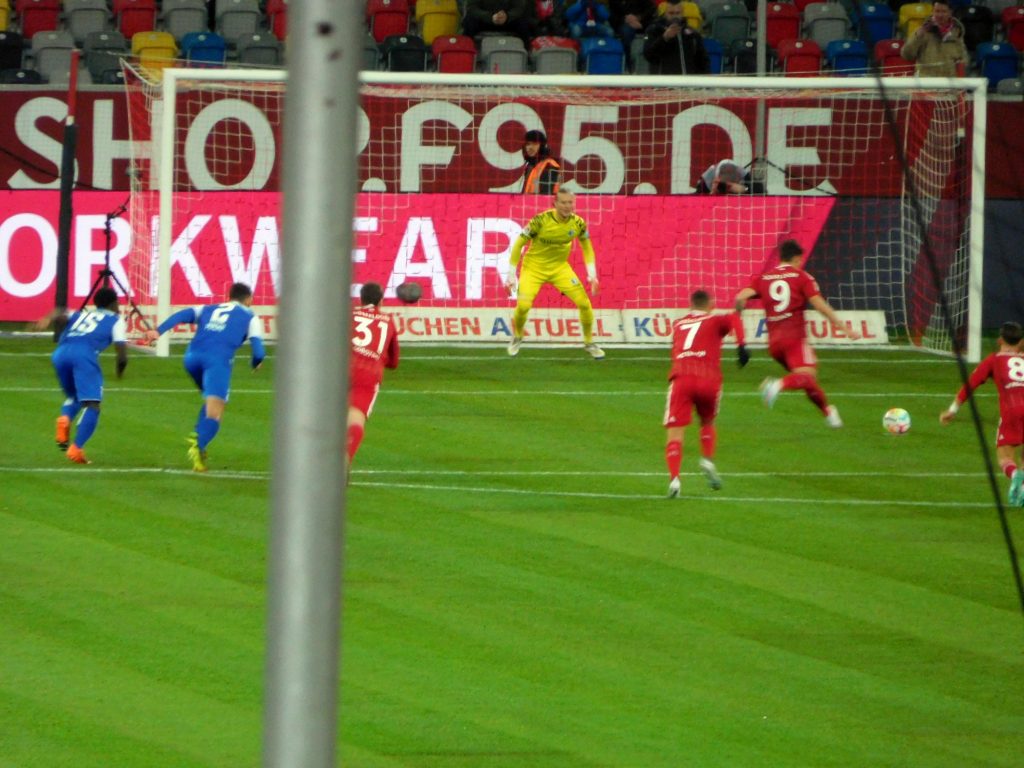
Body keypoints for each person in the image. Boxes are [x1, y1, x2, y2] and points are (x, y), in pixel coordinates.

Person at [734, 239, 861, 428]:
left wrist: (739, 317)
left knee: (806, 379)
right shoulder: (802, 277)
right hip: (794, 340)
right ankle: (776, 386)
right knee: (807, 377)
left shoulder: (765, 278)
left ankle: (829, 413)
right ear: (796, 258)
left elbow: (740, 297)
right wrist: (843, 327)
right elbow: (819, 305)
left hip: (774, 345)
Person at [145, 282, 265, 472]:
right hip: (216, 363)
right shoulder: (251, 317)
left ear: (229, 296)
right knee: (215, 413)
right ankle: (199, 441)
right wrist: (255, 363)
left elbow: (182, 314)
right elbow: (258, 352)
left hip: (191, 358)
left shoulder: (209, 308)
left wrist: (158, 331)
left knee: (211, 398)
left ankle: (200, 449)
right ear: (249, 299)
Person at [664, 290, 750, 498]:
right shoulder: (715, 321)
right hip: (709, 379)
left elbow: (673, 347)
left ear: (690, 304)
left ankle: (675, 480)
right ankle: (707, 459)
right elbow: (734, 318)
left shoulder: (678, 325)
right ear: (710, 304)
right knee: (707, 422)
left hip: (682, 378)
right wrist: (741, 346)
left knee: (675, 432)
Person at [504, 189, 604, 359]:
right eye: (563, 202)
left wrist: (592, 274)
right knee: (523, 307)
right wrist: (511, 275)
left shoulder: (578, 223)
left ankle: (589, 343)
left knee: (585, 304)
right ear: (555, 204)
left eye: (570, 202)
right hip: (533, 269)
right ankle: (518, 336)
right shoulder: (540, 221)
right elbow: (519, 243)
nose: (567, 206)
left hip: (559, 268)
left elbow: (587, 247)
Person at [39, 287, 128, 464]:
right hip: (84, 356)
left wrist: (47, 318)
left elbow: (60, 312)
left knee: (74, 396)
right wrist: (120, 369)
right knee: (93, 404)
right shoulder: (116, 321)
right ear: (113, 304)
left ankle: (65, 418)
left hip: (60, 354)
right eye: (117, 302)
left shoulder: (80, 314)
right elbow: (121, 351)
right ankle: (76, 448)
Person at [940, 321, 1024, 507]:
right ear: (1021, 342)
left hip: (1012, 410)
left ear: (999, 340)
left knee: (1004, 457)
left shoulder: (994, 360)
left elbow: (971, 383)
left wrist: (952, 410)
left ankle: (1015, 475)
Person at [347, 281, 400, 469]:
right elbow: (394, 362)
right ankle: (344, 460)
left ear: (360, 300)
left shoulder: (348, 314)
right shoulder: (388, 321)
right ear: (381, 301)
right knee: (355, 419)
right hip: (368, 373)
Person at [900, 0, 967, 78]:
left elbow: (963, 58)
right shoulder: (923, 31)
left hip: (950, 82)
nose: (940, 15)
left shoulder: (957, 32)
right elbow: (906, 55)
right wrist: (917, 37)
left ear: (950, 13)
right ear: (932, 12)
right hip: (925, 82)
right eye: (937, 11)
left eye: (944, 11)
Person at [643, 0, 709, 75]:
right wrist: (664, 38)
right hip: (662, 83)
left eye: (678, 13)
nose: (675, 16)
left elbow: (702, 60)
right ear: (665, 14)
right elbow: (648, 55)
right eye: (671, 13)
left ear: (682, 13)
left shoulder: (692, 34)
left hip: (687, 83)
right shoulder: (654, 30)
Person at [462, 0, 533, 44]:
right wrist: (490, 17)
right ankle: (466, 52)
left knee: (523, 22)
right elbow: (472, 8)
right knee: (469, 21)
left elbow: (519, 8)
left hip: (507, 20)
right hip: (485, 20)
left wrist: (507, 16)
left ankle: (526, 54)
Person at [610, 0, 656, 68]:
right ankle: (627, 61)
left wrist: (639, 18)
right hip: (623, 24)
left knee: (654, 28)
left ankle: (653, 63)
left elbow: (652, 9)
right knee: (626, 32)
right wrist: (626, 19)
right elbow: (612, 16)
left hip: (642, 22)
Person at [521, 129, 560, 195]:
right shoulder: (530, 166)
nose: (530, 147)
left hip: (540, 204)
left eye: (535, 144)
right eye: (528, 144)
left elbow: (546, 195)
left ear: (542, 146)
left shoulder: (549, 165)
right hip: (527, 203)